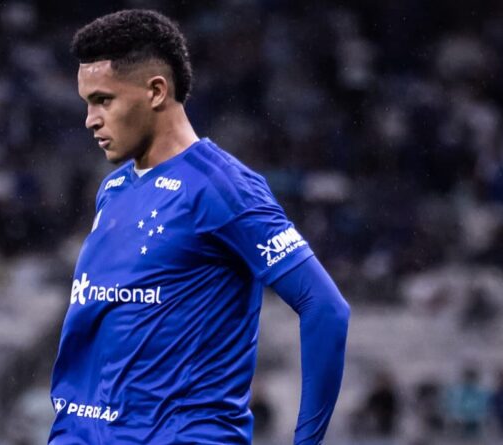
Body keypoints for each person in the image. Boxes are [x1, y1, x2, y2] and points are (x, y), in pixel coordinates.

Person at [49, 10, 350, 445]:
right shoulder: (113, 189)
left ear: (156, 91)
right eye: (87, 103)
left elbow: (325, 307)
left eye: (103, 100)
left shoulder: (222, 187)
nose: (90, 119)